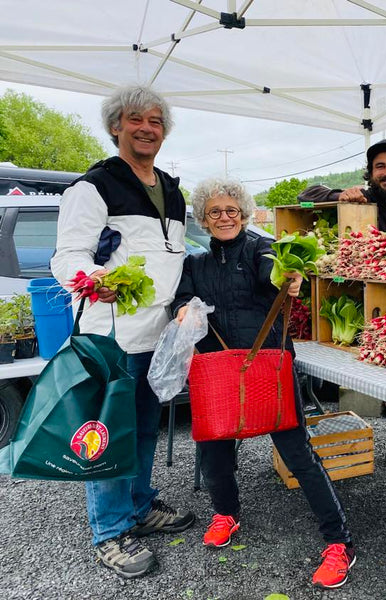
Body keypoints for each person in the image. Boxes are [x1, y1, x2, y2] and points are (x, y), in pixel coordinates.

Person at [172, 178, 356, 589]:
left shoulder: (260, 248)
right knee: (213, 450)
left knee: (298, 454)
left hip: (268, 366)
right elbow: (180, 297)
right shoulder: (195, 263)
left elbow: (276, 273)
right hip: (219, 369)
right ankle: (226, 513)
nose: (224, 217)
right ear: (203, 218)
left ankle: (339, 541)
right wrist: (184, 308)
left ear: (244, 213)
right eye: (215, 212)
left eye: (231, 210)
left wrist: (288, 280)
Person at [51, 85, 195, 579]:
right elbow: (67, 255)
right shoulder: (93, 187)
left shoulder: (172, 191)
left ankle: (138, 506)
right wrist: (93, 280)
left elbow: (173, 260)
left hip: (158, 338)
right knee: (107, 434)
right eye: (135, 119)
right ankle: (109, 532)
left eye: (155, 120)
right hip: (109, 336)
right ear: (116, 126)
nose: (146, 128)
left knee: (143, 430)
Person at [299, 139, 386, 469]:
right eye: (380, 167)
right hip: (368, 300)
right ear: (371, 173)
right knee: (380, 374)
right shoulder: (364, 200)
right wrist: (338, 196)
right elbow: (306, 196)